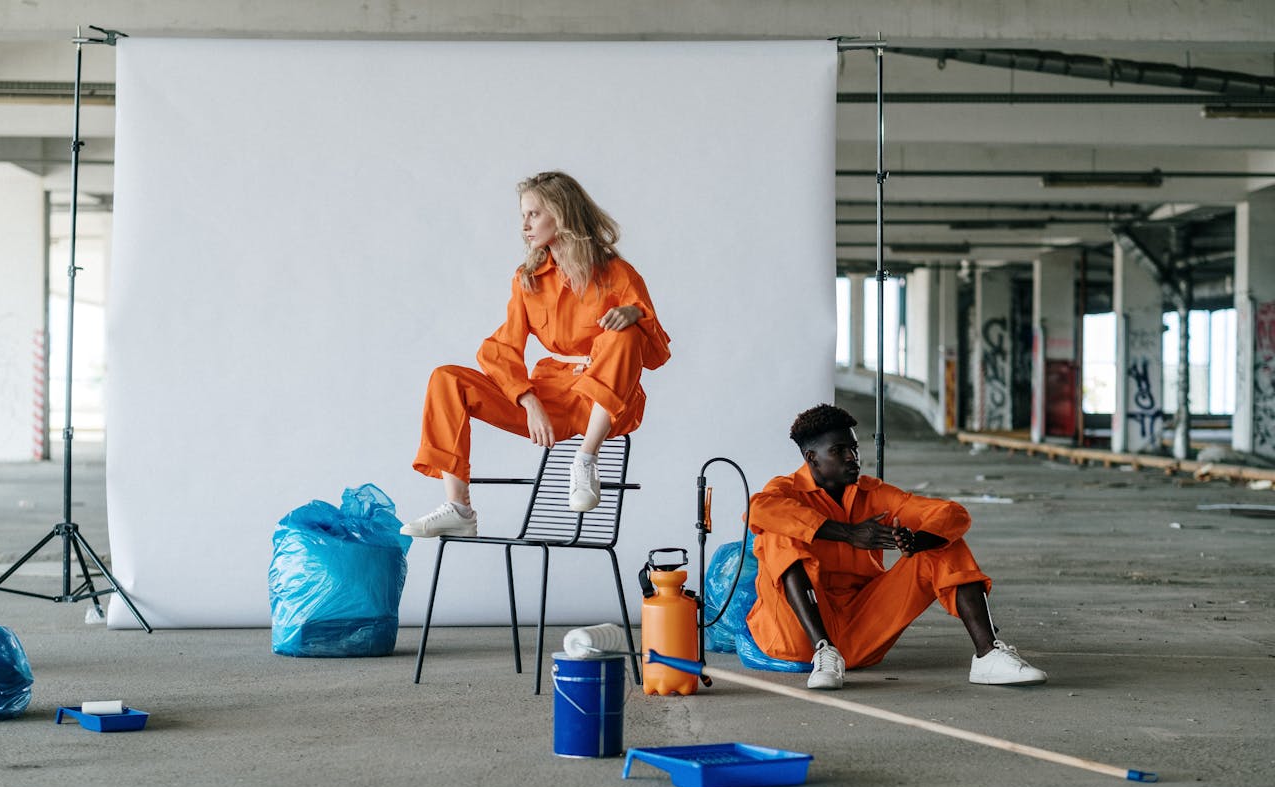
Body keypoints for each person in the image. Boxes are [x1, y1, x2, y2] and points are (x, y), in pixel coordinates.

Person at [403, 171, 671, 537]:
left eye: (534, 214)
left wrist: (636, 314)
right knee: (446, 379)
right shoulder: (527, 279)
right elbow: (501, 347)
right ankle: (459, 508)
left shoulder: (617, 274)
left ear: (561, 215)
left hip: (603, 406)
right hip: (550, 397)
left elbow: (654, 356)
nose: (525, 226)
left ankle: (585, 462)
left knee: (623, 337)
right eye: (523, 215)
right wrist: (529, 401)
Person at [745, 404, 1047, 690]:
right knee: (776, 534)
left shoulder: (872, 494)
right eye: (839, 451)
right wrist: (849, 534)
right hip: (794, 637)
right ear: (811, 458)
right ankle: (823, 650)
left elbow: (952, 513)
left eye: (854, 448)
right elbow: (758, 510)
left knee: (944, 540)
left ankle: (988, 656)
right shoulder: (785, 491)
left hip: (861, 632)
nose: (852, 457)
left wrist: (919, 541)